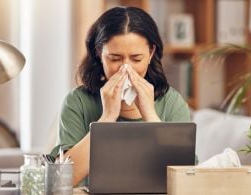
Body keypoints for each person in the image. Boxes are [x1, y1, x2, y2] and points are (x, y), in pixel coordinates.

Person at [50, 6, 190, 186]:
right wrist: (107, 118)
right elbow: (60, 182)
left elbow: (185, 181)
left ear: (151, 53)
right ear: (100, 53)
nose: (126, 68)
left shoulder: (172, 103)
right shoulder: (77, 102)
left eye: (136, 59)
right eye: (115, 59)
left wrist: (151, 116)